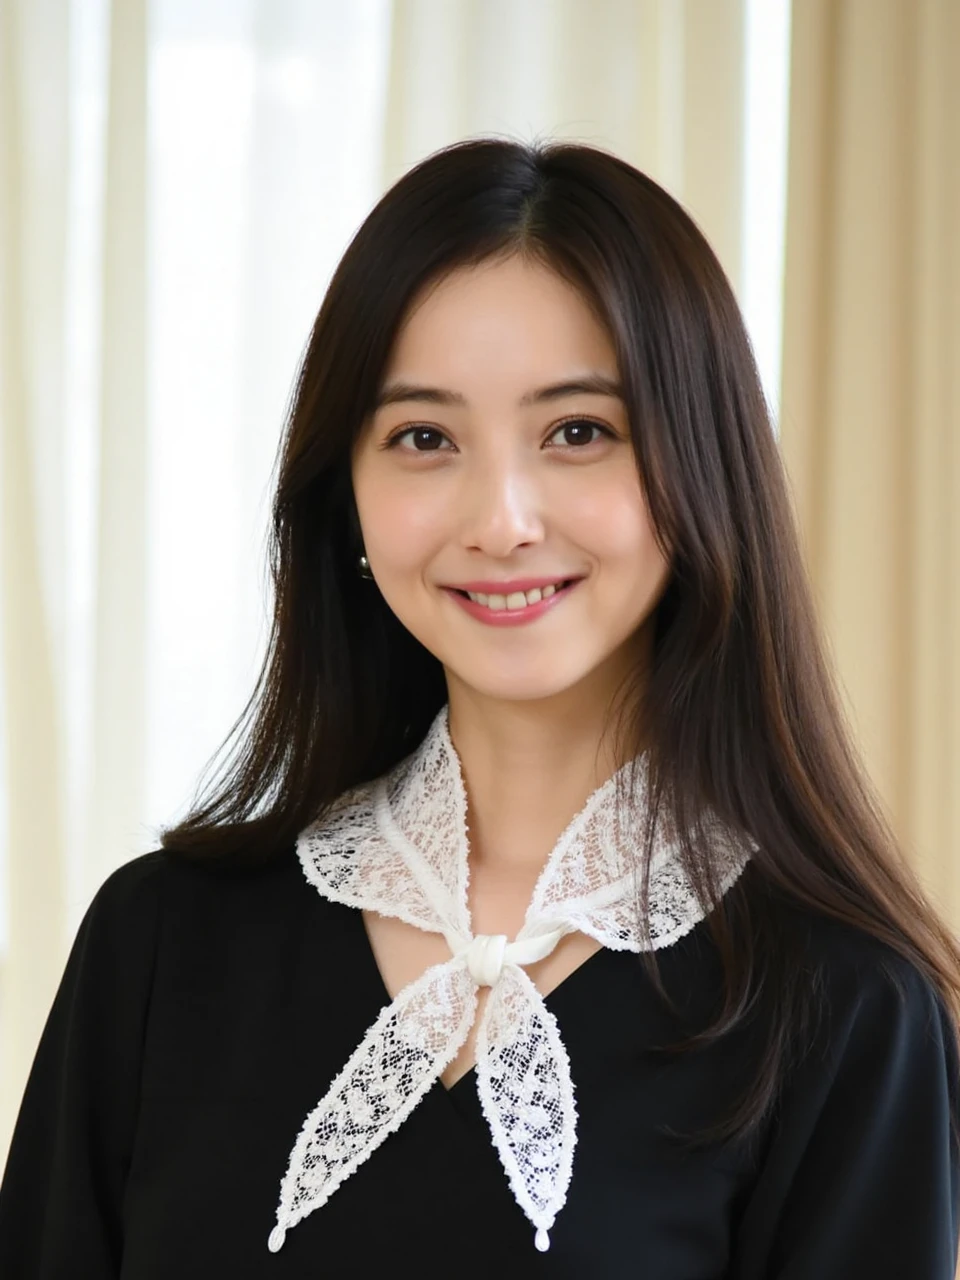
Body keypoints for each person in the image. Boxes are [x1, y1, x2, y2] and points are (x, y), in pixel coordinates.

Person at [1, 136, 958, 1279]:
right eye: (423, 438)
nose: (500, 517)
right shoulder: (158, 943)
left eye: (577, 431)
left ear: (700, 468)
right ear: (343, 494)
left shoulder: (842, 1007)